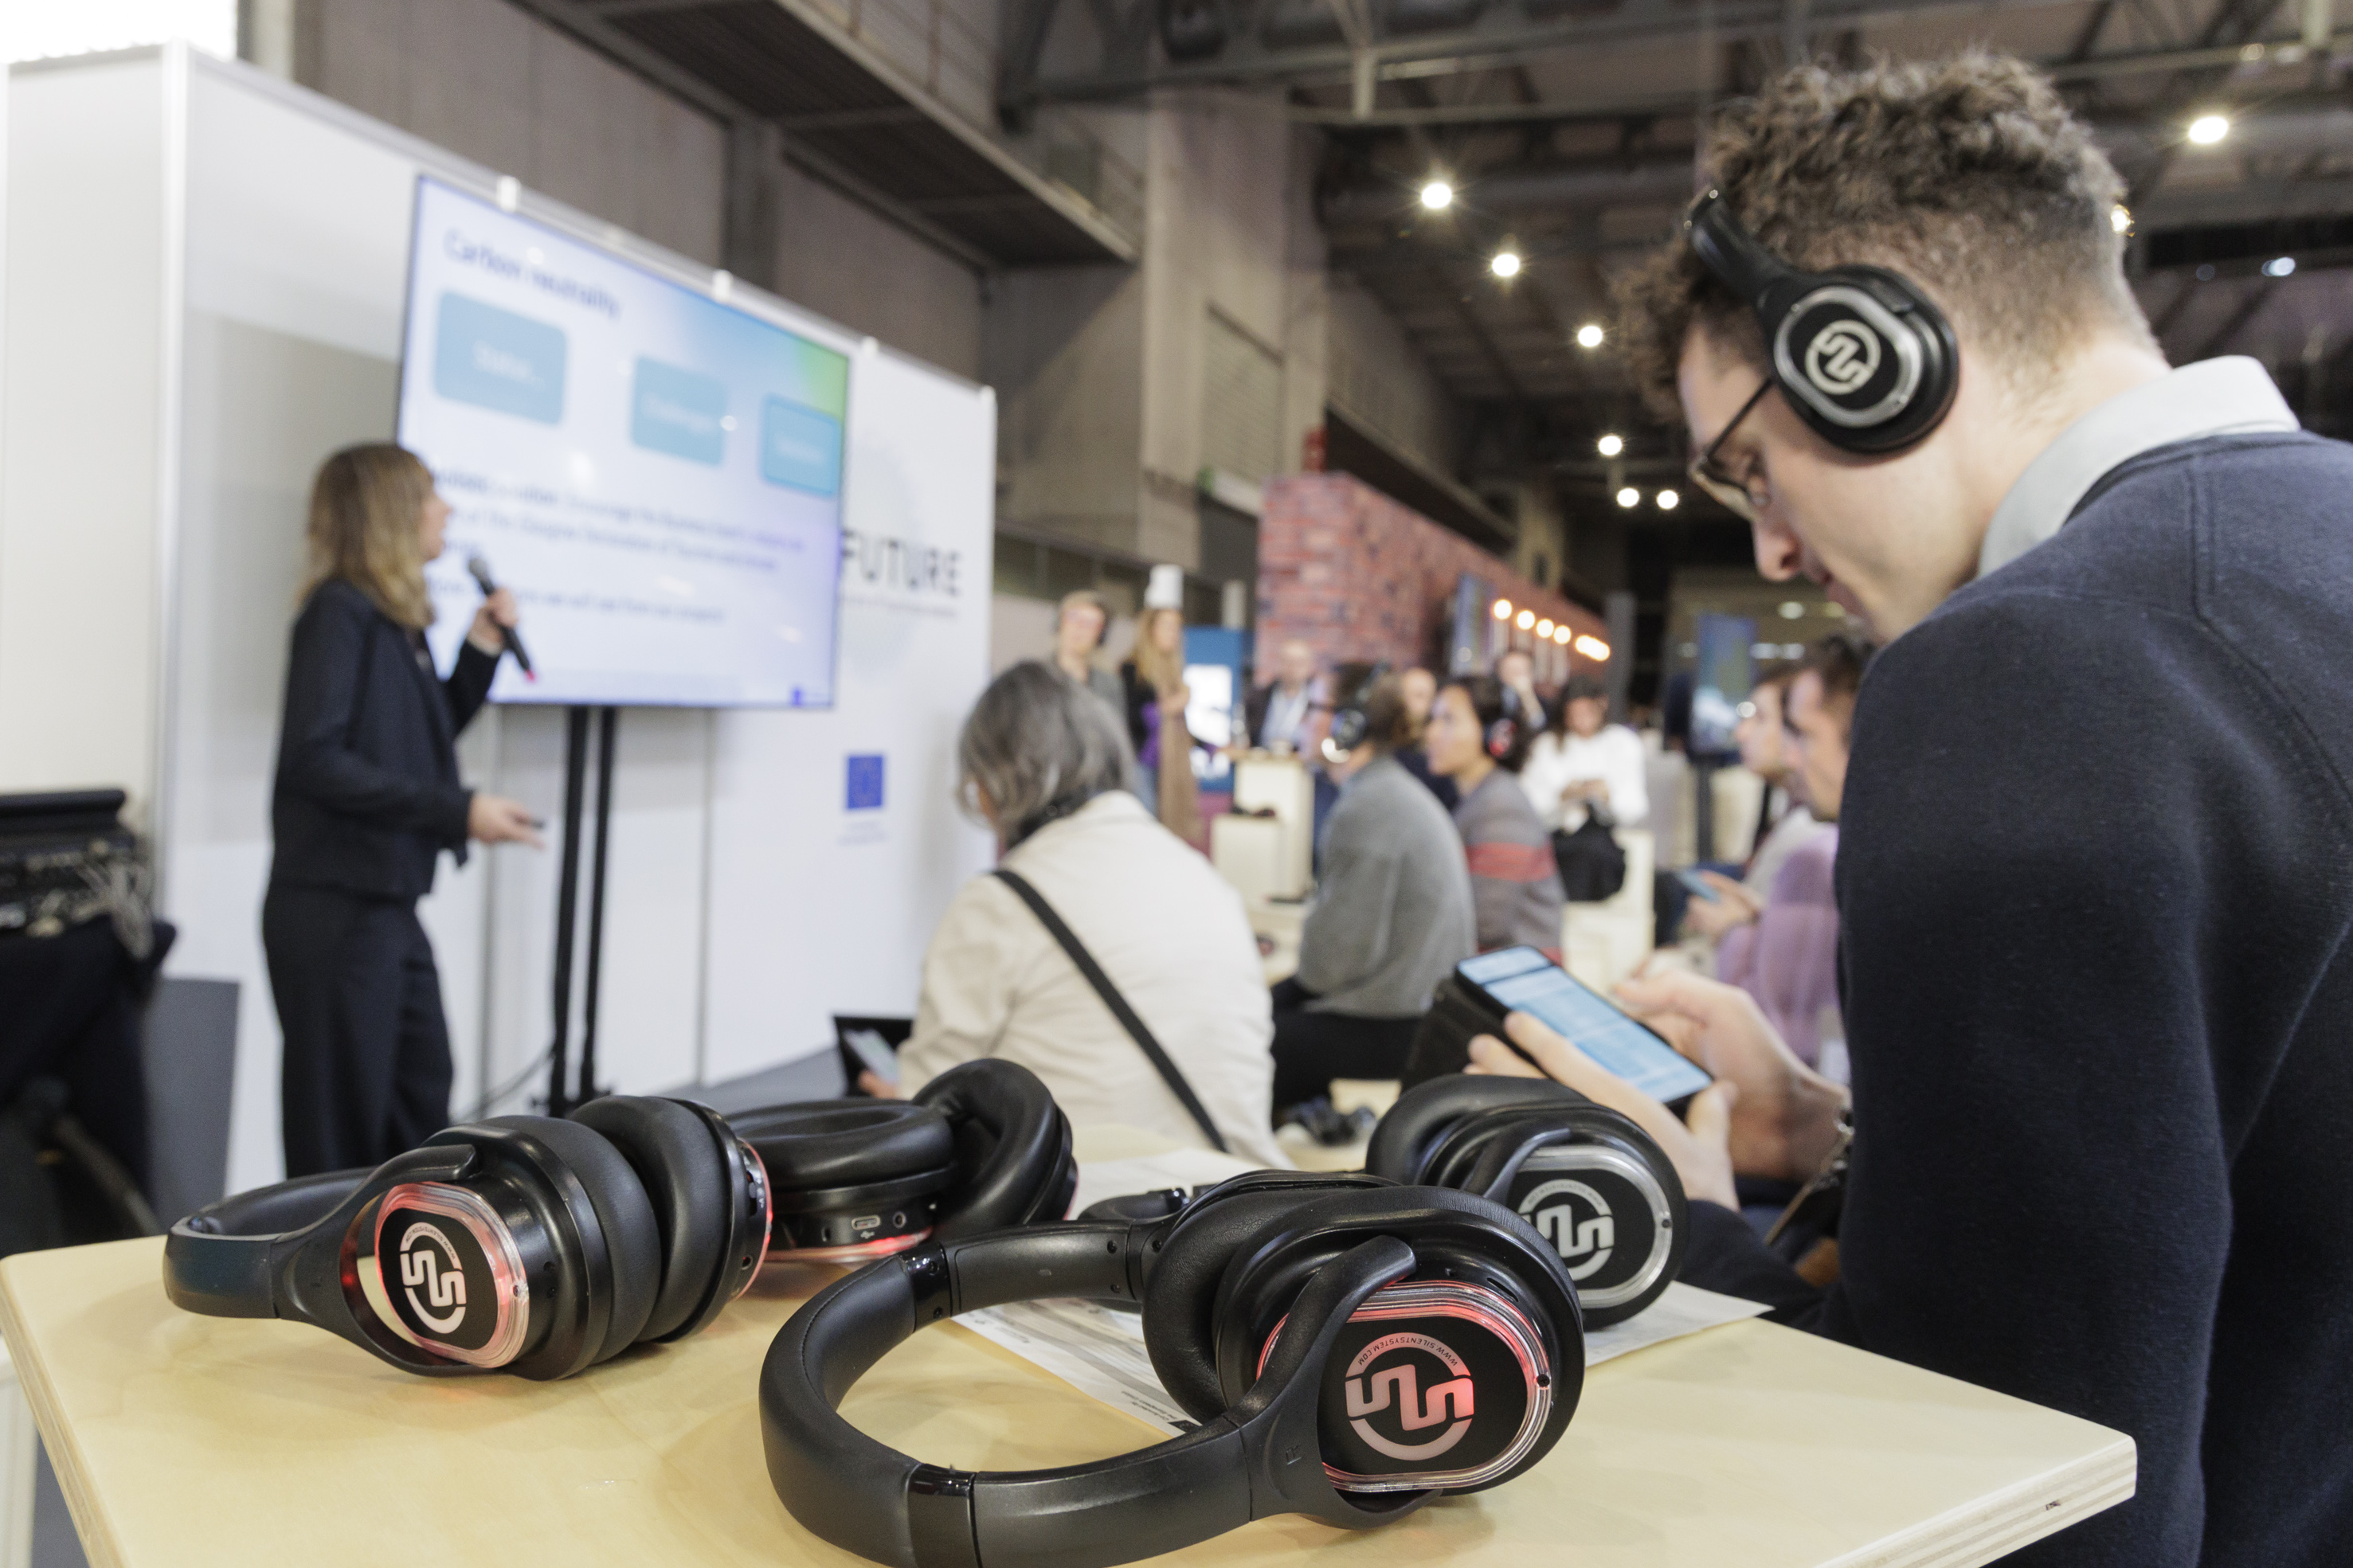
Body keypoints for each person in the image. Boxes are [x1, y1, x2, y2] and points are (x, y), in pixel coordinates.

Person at [1473, 53, 2351, 1566]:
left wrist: (1681, 1225)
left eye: (1748, 465)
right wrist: (1841, 1139)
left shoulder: (2028, 665)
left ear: (1864, 354)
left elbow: (2016, 1490)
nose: (1768, 548)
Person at [265, 444, 541, 1177]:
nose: (446, 509)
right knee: (340, 1134)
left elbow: (417, 741)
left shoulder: (395, 621)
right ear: (392, 511)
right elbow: (314, 759)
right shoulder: (338, 612)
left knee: (418, 1099)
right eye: (430, 495)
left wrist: (478, 650)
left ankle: (403, 1241)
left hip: (383, 907)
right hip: (334, 910)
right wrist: (459, 810)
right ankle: (336, 1252)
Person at [883, 663, 1284, 1164]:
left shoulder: (1002, 900)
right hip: (1241, 1192)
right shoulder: (1200, 875)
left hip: (1100, 1202)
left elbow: (930, 1108)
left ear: (992, 779)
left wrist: (891, 1104)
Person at [1270, 674, 1474, 1114]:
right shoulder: (1389, 791)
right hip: (1417, 1010)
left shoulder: (1368, 806)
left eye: (1313, 709)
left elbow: (1331, 965)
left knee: (1258, 1034)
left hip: (1399, 1024)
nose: (1302, 722)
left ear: (1347, 727)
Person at [1706, 637, 1869, 1067]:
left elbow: (1779, 1036)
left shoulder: (1818, 855)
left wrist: (1738, 934)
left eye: (1805, 734)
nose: (1793, 756)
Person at [1423, 675, 1564, 955]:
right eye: (1433, 719)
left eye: (1449, 720)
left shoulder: (1501, 806)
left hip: (1511, 975)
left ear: (1497, 736)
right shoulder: (1481, 796)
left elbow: (1486, 924)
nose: (1431, 733)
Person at [1517, 674, 1650, 834]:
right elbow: (1527, 800)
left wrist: (1607, 795)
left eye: (1587, 713)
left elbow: (1636, 806)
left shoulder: (1623, 742)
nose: (1581, 721)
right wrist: (1562, 796)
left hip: (1607, 833)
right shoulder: (1546, 745)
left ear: (1602, 706)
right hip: (1555, 833)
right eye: (1574, 714)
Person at [1120, 604, 1198, 837]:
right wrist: (1167, 707)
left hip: (1168, 765)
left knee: (1165, 829)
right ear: (1150, 630)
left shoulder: (1173, 675)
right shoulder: (1132, 669)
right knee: (1145, 826)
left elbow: (1180, 729)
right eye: (1167, 626)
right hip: (1141, 762)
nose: (1173, 633)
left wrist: (1210, 746)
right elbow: (1129, 718)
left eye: (1177, 627)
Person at [1050, 588, 1124, 718]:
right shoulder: (1032, 678)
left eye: (1090, 623)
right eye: (1073, 617)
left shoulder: (1109, 686)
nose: (1079, 628)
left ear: (1101, 635)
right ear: (1059, 622)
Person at [1392, 667, 1457, 809]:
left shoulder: (1438, 756)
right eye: (1403, 693)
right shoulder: (1383, 747)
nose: (1408, 701)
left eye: (1419, 696)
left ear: (1434, 703)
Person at [1243, 638, 1322, 753]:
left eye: (1299, 662)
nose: (1292, 668)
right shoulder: (1257, 698)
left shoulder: (1320, 701)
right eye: (1287, 661)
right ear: (1278, 663)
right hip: (1263, 760)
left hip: (1303, 761)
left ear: (1310, 666)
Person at [1494, 647, 1548, 733]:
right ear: (1499, 673)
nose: (1515, 675)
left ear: (1531, 675)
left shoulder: (1544, 702)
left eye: (1520, 671)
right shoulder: (1487, 698)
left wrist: (1527, 696)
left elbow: (1538, 725)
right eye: (1510, 670)